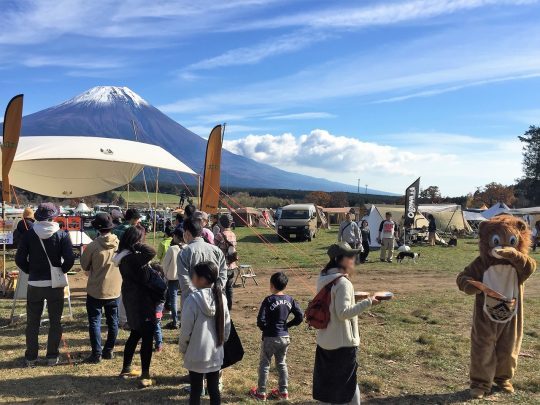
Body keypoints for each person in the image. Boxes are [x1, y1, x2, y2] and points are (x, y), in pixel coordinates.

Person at [313, 242, 379, 404]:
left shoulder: (323, 278)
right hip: (342, 344)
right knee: (348, 384)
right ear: (339, 259)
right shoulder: (343, 283)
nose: (353, 260)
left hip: (325, 341)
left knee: (327, 383)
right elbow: (343, 314)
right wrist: (369, 302)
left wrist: (353, 297)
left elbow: (332, 303)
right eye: (349, 257)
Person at [15, 203, 75, 367]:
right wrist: (60, 271)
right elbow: (70, 259)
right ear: (53, 216)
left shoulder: (29, 235)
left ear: (38, 216)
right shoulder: (62, 235)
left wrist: (30, 271)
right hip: (55, 284)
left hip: (35, 282)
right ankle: (52, 356)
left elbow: (19, 260)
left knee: (32, 322)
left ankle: (31, 357)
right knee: (55, 321)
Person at [113, 226, 160, 388]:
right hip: (143, 302)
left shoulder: (123, 257)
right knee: (147, 337)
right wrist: (137, 244)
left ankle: (126, 368)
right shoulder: (132, 258)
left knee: (135, 334)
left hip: (131, 300)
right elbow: (151, 251)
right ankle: (145, 375)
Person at [179, 261, 231, 405]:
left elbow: (185, 330)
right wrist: (222, 343)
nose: (192, 278)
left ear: (202, 279)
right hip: (215, 352)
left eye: (193, 275)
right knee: (214, 388)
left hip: (196, 353)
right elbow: (227, 327)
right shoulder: (221, 298)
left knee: (195, 390)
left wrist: (183, 348)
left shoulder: (192, 300)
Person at [250, 272, 303, 401]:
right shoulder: (290, 300)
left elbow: (260, 320)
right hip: (284, 337)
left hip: (270, 337)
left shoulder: (269, 300)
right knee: (281, 364)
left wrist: (266, 329)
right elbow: (300, 316)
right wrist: (287, 325)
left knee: (265, 364)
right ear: (285, 285)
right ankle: (283, 391)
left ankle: (261, 392)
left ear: (271, 285)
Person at [80, 213, 121, 363]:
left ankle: (96, 353)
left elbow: (84, 265)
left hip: (96, 290)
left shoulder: (93, 246)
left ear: (97, 228)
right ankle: (108, 350)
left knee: (95, 322)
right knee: (113, 321)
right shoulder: (119, 243)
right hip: (115, 289)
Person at [178, 217, 227, 306]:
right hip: (215, 300)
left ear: (187, 233)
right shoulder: (216, 250)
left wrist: (198, 297)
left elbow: (184, 281)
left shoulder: (184, 253)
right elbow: (223, 275)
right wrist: (214, 291)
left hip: (192, 302)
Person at [214, 214, 238, 310]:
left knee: (221, 288)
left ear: (220, 223)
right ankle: (229, 306)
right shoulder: (233, 234)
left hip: (223, 266)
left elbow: (214, 249)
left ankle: (223, 308)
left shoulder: (219, 235)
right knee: (230, 288)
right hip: (232, 265)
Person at [162, 228, 184, 329]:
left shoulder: (172, 249)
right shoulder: (187, 247)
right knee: (184, 299)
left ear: (175, 236)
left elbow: (165, 264)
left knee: (174, 300)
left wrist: (166, 275)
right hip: (184, 278)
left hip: (173, 278)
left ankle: (175, 321)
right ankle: (183, 320)